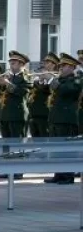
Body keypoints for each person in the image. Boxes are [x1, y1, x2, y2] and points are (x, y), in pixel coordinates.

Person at [44, 54, 81, 184]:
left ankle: (68, 176)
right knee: (56, 149)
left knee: (66, 149)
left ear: (71, 67)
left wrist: (51, 80)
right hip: (56, 118)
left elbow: (65, 91)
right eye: (60, 66)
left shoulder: (75, 80)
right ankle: (58, 174)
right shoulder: (62, 79)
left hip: (66, 119)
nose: (60, 68)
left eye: (63, 66)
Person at [0, 51, 31, 139]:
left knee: (17, 144)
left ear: (22, 64)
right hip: (4, 115)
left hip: (17, 116)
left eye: (14, 61)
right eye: (10, 61)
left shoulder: (26, 76)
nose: (11, 63)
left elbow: (22, 91)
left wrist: (7, 84)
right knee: (5, 144)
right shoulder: (8, 76)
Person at [29, 53, 58, 138]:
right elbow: (33, 94)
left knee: (45, 140)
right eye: (44, 62)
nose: (44, 64)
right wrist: (40, 80)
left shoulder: (56, 78)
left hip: (45, 115)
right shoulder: (37, 80)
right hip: (34, 114)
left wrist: (44, 80)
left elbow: (50, 90)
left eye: (47, 62)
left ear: (54, 65)